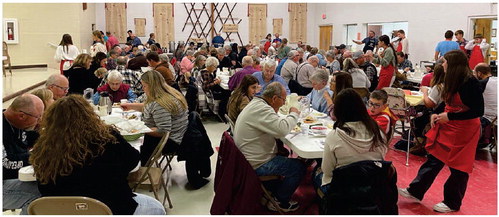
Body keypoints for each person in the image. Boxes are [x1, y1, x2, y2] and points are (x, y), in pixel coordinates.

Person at [30, 95, 165, 215]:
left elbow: (43, 186)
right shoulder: (108, 138)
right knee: (157, 208)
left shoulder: (43, 149)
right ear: (89, 115)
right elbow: (134, 163)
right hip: (112, 208)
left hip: (60, 211)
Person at [398, 50, 484, 213]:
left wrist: (450, 116)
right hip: (449, 125)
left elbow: (478, 110)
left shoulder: (470, 83)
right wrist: (436, 113)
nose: (442, 64)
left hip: (465, 129)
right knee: (434, 158)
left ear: (453, 65)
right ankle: (415, 191)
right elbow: (445, 102)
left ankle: (452, 202)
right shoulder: (451, 79)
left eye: (444, 62)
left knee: (459, 167)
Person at [233, 82, 305, 212]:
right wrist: (294, 113)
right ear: (274, 99)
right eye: (283, 100)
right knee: (298, 167)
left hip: (247, 157)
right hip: (256, 163)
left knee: (283, 151)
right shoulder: (262, 109)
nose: (283, 103)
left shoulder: (257, 104)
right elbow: (282, 130)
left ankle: (274, 190)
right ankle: (279, 200)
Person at [313, 88, 387, 195]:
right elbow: (381, 158)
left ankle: (327, 206)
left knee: (316, 173)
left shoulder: (335, 136)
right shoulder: (377, 132)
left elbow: (327, 171)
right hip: (372, 187)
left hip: (342, 189)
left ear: (338, 111)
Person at [121, 70, 189, 166]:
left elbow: (162, 131)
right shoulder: (168, 93)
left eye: (144, 86)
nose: (143, 88)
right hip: (179, 135)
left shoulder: (160, 104)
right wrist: (131, 106)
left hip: (171, 142)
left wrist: (138, 129)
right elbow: (149, 107)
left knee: (129, 147)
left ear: (152, 86)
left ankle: (139, 169)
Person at [3, 94, 44, 213]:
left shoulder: (19, 124)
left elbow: (38, 138)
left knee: (48, 186)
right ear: (22, 115)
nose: (39, 121)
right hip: (4, 181)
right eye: (38, 117)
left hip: (12, 178)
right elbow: (6, 164)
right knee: (40, 195)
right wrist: (37, 156)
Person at [200, 57, 231, 122]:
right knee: (226, 95)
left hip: (209, 91)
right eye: (215, 67)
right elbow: (205, 87)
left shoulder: (204, 72)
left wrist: (214, 81)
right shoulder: (206, 73)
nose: (215, 69)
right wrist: (215, 82)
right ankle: (222, 113)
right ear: (211, 66)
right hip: (209, 94)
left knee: (225, 92)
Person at [473, 63, 497, 147]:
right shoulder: (496, 80)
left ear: (479, 73)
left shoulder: (482, 83)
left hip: (490, 117)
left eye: (475, 73)